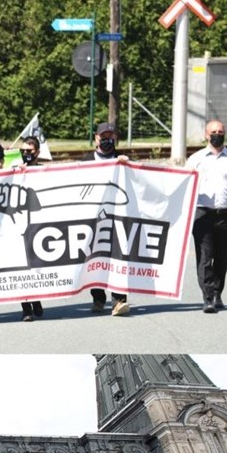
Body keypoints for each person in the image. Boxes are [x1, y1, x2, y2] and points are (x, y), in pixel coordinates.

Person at [186, 119, 227, 313]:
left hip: (226, 214)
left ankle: (217, 293)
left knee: (222, 257)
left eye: (220, 132)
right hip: (202, 213)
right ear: (206, 135)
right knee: (205, 257)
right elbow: (183, 183)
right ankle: (208, 297)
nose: (217, 135)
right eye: (213, 132)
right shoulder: (196, 159)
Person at [88, 122, 132, 316]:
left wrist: (129, 166)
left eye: (110, 137)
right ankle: (98, 298)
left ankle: (119, 300)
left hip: (118, 217)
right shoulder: (86, 161)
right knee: (95, 257)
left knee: (119, 256)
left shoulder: (122, 159)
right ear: (96, 138)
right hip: (93, 218)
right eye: (103, 136)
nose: (107, 140)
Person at [14, 136, 46, 322]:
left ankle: (37, 299)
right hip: (18, 226)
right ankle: (26, 308)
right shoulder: (14, 170)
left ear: (37, 153)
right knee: (21, 268)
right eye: (23, 151)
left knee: (36, 267)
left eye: (29, 151)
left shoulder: (43, 170)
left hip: (38, 225)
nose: (26, 154)